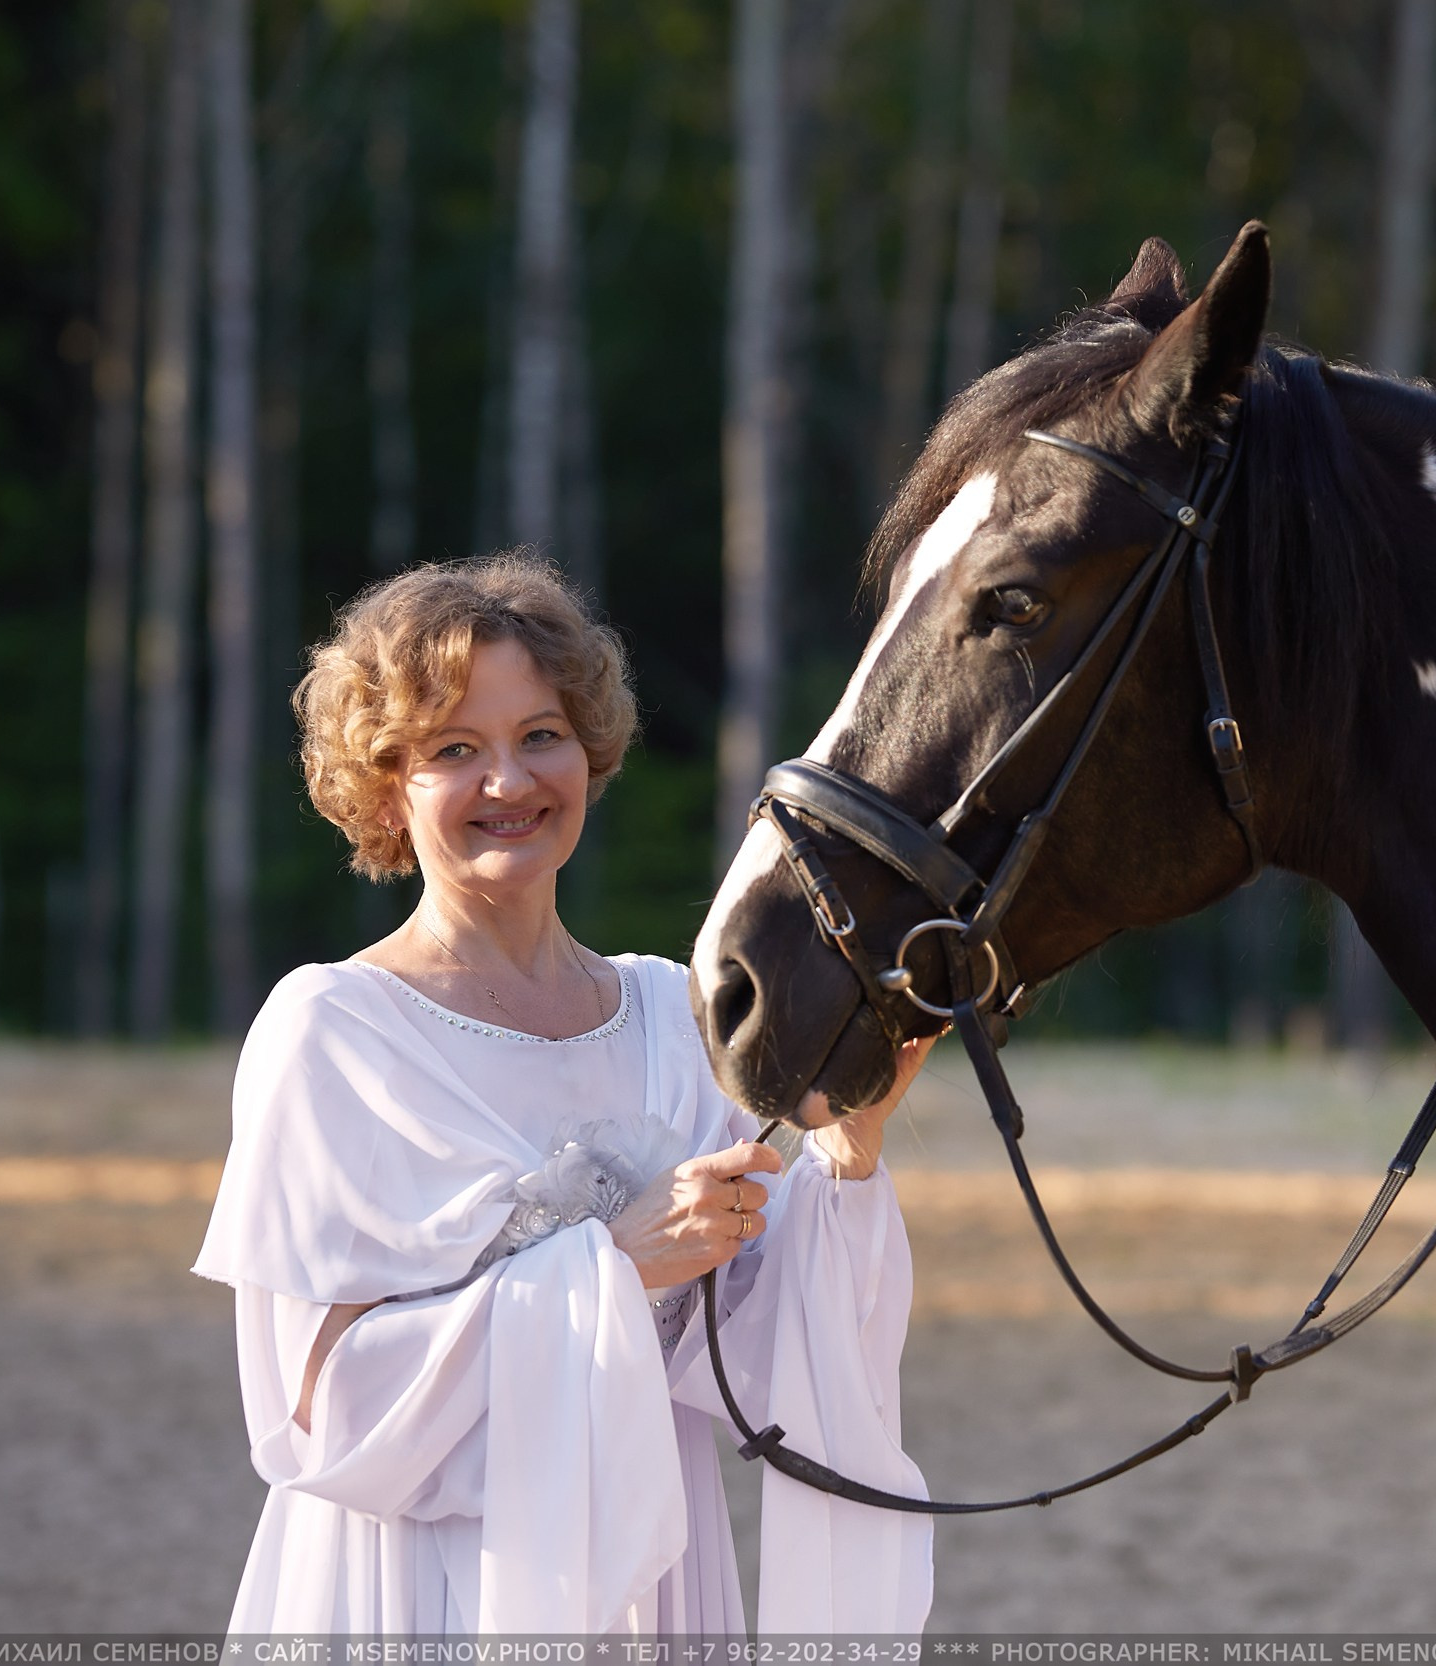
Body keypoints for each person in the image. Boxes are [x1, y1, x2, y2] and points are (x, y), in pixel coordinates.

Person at [193, 553, 935, 1635]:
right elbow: (326, 1413)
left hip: (653, 1597)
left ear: (588, 749)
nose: (510, 781)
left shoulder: (668, 1013)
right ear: (387, 783)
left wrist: (850, 1153)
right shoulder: (333, 1031)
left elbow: (768, 1357)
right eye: (456, 750)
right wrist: (618, 1264)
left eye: (540, 734)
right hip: (426, 1589)